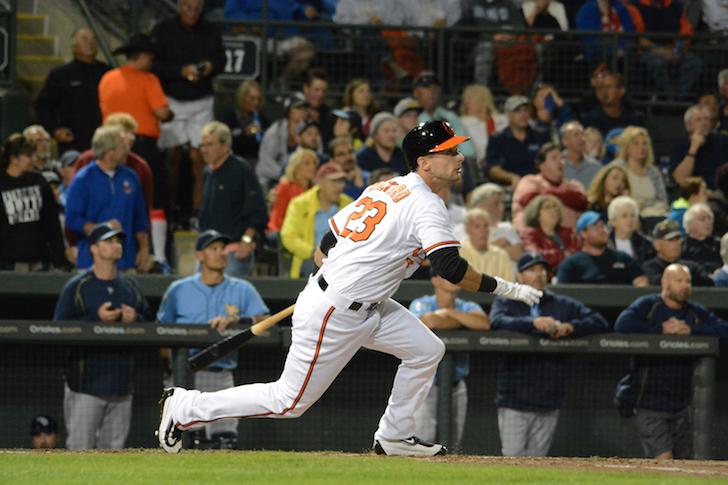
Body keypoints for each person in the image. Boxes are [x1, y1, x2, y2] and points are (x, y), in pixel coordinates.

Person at [156, 120, 542, 456]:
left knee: (428, 350)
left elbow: (328, 238)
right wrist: (506, 288)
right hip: (337, 310)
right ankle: (187, 407)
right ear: (424, 162)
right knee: (288, 401)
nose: (459, 157)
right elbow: (450, 268)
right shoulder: (425, 204)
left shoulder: (385, 188)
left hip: (365, 303)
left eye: (457, 149)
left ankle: (394, 435)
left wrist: (331, 264)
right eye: (448, 151)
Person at [157, 229, 270, 449]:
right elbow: (160, 331)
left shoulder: (242, 288)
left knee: (225, 443)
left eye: (223, 249)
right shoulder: (178, 290)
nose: (221, 254)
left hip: (222, 374)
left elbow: (266, 320)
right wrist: (168, 372)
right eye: (213, 249)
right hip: (187, 375)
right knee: (189, 443)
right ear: (199, 255)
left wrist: (239, 319)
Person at [490, 251, 609, 457]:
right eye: (532, 270)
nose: (539, 274)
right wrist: (532, 323)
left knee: (538, 460)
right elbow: (497, 321)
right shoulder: (508, 301)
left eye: (542, 269)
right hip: (514, 396)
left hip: (549, 396)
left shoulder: (561, 304)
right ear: (519, 277)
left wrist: (571, 327)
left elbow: (599, 322)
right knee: (512, 458)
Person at [54, 223, 153, 450]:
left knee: (113, 457)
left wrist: (135, 318)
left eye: (117, 241)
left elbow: (152, 326)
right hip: (85, 385)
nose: (116, 246)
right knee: (79, 452)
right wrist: (94, 321)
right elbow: (59, 329)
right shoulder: (77, 287)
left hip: (121, 385)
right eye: (108, 242)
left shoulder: (131, 286)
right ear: (94, 249)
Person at [614, 264, 728, 459]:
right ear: (664, 283)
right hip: (649, 402)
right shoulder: (648, 305)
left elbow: (724, 330)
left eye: (688, 282)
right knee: (664, 461)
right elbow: (622, 324)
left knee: (684, 464)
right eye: (679, 281)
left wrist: (691, 330)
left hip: (683, 405)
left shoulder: (694, 312)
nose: (685, 286)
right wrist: (660, 329)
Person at [97, 34, 173, 269]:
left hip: (108, 148)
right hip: (141, 148)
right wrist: (170, 114)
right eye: (149, 56)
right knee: (154, 201)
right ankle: (159, 257)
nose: (151, 61)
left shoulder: (107, 78)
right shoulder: (148, 79)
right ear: (141, 57)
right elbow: (162, 112)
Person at [151, 0, 226, 213]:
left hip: (201, 100)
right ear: (178, 7)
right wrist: (181, 71)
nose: (192, 13)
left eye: (196, 9)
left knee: (200, 157)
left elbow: (221, 59)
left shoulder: (210, 30)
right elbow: (154, 65)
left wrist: (211, 66)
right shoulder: (163, 30)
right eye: (187, 8)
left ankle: (198, 211)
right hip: (172, 99)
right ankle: (169, 209)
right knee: (172, 156)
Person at [410, 269, 490, 452]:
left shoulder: (467, 305)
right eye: (448, 274)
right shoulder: (423, 302)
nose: (455, 278)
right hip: (426, 385)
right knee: (421, 443)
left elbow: (483, 323)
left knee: (452, 446)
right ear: (435, 280)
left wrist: (447, 312)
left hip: (456, 385)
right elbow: (431, 322)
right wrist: (463, 323)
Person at [65, 126, 151, 273]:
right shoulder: (83, 179)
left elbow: (140, 218)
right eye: (123, 146)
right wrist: (103, 229)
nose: (127, 151)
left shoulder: (131, 177)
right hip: (92, 263)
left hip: (126, 260)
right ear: (109, 152)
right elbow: (72, 220)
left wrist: (144, 248)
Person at [198, 121, 268, 277]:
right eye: (202, 145)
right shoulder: (208, 172)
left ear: (225, 146)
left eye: (209, 145)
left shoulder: (241, 170)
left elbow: (258, 211)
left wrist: (247, 241)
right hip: (207, 252)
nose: (204, 150)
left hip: (233, 251)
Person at [34, 28, 110, 154]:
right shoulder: (62, 74)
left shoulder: (107, 72)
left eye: (93, 39)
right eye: (84, 39)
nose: (90, 42)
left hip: (105, 143)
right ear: (74, 47)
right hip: (75, 144)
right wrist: (54, 130)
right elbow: (43, 105)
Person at [0, 134, 67, 272]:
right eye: (28, 156)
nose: (33, 160)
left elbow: (52, 222)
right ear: (14, 159)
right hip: (8, 264)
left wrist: (58, 259)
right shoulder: (2, 184)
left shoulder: (39, 181)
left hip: (40, 262)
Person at [280, 162, 353, 278]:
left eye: (341, 181)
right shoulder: (300, 204)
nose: (339, 186)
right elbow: (289, 236)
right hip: (310, 259)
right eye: (334, 181)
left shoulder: (349, 204)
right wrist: (313, 252)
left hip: (342, 262)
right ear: (320, 182)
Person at [630, 0, 703, 99]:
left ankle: (680, 98)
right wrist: (662, 52)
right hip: (648, 51)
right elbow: (640, 38)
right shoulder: (636, 6)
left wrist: (677, 51)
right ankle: (669, 100)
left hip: (673, 50)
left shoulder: (676, 7)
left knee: (694, 62)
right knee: (658, 63)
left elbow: (686, 34)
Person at [557, 211, 649, 285]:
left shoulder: (623, 258)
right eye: (595, 227)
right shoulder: (571, 265)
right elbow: (564, 295)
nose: (602, 231)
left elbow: (640, 281)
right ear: (583, 234)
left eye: (603, 226)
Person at [512, 142, 587, 232]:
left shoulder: (574, 185)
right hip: (533, 237)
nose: (560, 162)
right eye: (554, 158)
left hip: (570, 239)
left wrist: (549, 193)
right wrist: (563, 196)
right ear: (541, 165)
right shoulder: (530, 181)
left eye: (562, 158)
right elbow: (527, 199)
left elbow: (582, 202)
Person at [485, 95, 552, 188]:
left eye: (525, 110)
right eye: (517, 111)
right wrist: (511, 177)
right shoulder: (497, 139)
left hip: (540, 185)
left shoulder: (541, 135)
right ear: (508, 115)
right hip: (510, 186)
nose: (523, 114)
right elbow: (493, 168)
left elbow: (551, 161)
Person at [413, 72, 476, 162]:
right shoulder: (408, 115)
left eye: (434, 88)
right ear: (416, 93)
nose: (431, 92)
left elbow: (468, 150)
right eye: (426, 88)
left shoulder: (449, 116)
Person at [520, 195, 581, 280]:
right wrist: (564, 255)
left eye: (555, 208)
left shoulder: (568, 233)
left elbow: (578, 254)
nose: (553, 211)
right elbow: (536, 257)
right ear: (537, 214)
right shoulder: (529, 234)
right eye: (547, 208)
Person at [612, 126, 669, 217]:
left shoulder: (653, 172)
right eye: (636, 144)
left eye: (644, 144)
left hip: (654, 214)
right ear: (627, 147)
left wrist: (642, 205)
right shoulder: (618, 168)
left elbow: (663, 202)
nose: (641, 148)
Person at [266, 148, 319, 245]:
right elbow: (278, 218)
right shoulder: (284, 188)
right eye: (307, 163)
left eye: (314, 163)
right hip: (283, 232)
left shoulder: (316, 190)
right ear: (296, 168)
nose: (313, 167)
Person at [256, 96, 311, 190]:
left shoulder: (311, 131)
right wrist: (287, 175)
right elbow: (265, 166)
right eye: (298, 108)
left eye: (305, 108)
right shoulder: (274, 133)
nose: (302, 111)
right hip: (272, 182)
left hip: (300, 180)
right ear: (288, 111)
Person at [670, 105, 728, 190]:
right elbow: (680, 179)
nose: (704, 123)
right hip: (693, 196)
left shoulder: (722, 142)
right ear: (688, 126)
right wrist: (693, 148)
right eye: (699, 120)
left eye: (706, 119)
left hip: (721, 197)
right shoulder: (679, 148)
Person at [641, 219, 714, 286]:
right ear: (657, 245)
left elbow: (707, 282)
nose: (676, 244)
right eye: (670, 240)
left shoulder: (691, 266)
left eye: (678, 239)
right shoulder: (651, 267)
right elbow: (658, 283)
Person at [470, 183, 524, 264]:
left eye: (502, 203)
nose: (502, 209)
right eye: (495, 204)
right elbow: (469, 255)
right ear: (480, 207)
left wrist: (486, 247)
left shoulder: (507, 228)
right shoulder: (464, 229)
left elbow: (518, 254)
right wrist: (500, 244)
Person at [458, 85, 509, 168]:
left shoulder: (503, 121)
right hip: (479, 169)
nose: (465, 102)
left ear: (483, 100)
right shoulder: (462, 123)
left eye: (470, 98)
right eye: (464, 99)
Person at [581, 71, 644, 137]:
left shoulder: (633, 121)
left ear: (621, 91)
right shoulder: (591, 120)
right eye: (601, 88)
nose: (604, 91)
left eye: (609, 87)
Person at [220, 80, 269, 163]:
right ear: (242, 97)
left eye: (258, 99)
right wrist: (244, 135)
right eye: (252, 99)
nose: (256, 102)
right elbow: (224, 145)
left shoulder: (262, 119)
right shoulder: (230, 118)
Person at [458, 208, 514, 281]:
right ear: (467, 230)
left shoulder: (501, 255)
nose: (483, 231)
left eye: (485, 226)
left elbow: (508, 286)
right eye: (477, 226)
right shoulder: (459, 252)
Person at [606, 195, 656, 267]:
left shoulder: (646, 244)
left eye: (632, 216)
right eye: (624, 215)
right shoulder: (604, 243)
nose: (630, 220)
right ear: (613, 221)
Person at [680, 203, 722, 274]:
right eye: (702, 219)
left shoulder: (718, 244)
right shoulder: (681, 244)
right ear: (689, 224)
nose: (708, 222)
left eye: (710, 218)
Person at [561, 121, 603, 190]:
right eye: (576, 135)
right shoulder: (558, 165)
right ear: (565, 141)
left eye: (582, 135)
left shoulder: (596, 167)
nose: (581, 139)